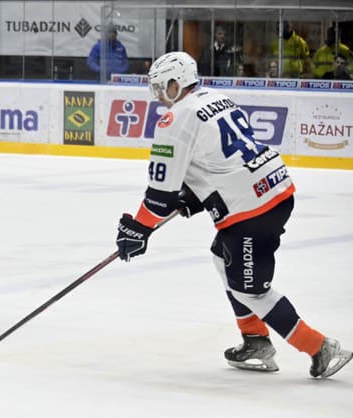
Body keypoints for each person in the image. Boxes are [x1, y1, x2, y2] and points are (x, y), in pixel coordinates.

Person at [115, 51, 352, 378]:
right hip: (273, 190)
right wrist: (193, 198)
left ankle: (321, 348)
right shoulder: (216, 97)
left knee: (249, 289)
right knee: (221, 257)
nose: (157, 96)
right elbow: (220, 160)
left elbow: (159, 197)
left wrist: (137, 229)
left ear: (176, 83)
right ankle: (256, 342)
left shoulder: (175, 119)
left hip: (253, 209)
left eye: (161, 87)